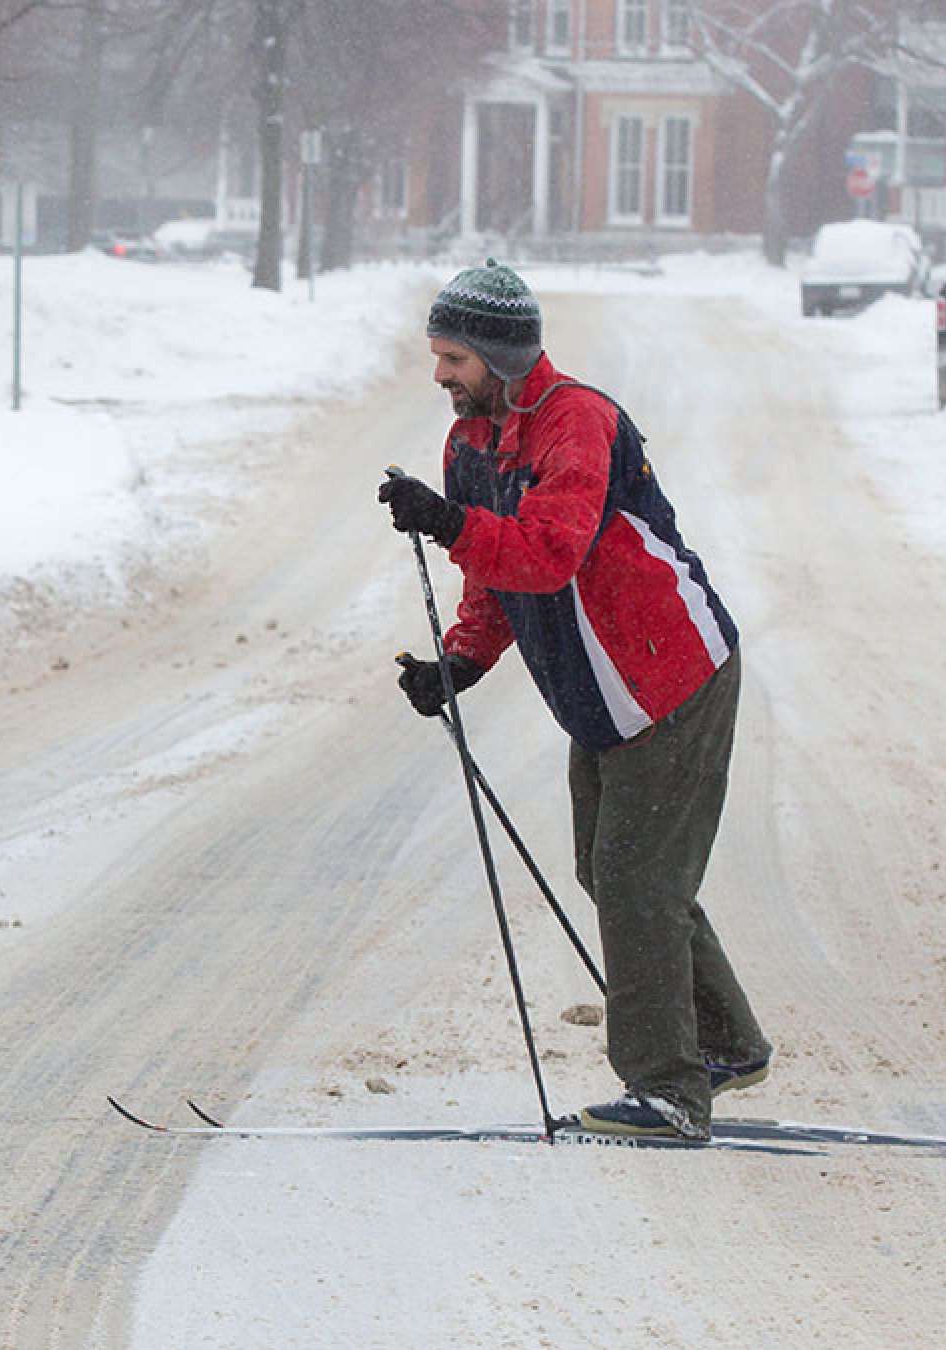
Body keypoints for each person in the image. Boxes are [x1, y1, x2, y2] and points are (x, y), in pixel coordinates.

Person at [375, 260, 770, 1144]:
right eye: (437, 355)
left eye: (454, 358)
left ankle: (668, 1091)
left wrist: (444, 521)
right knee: (614, 871)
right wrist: (460, 663)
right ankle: (725, 1043)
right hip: (598, 695)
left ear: (501, 356)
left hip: (668, 675)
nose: (440, 374)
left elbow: (548, 551)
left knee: (638, 882)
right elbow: (495, 572)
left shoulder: (576, 423)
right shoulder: (471, 443)